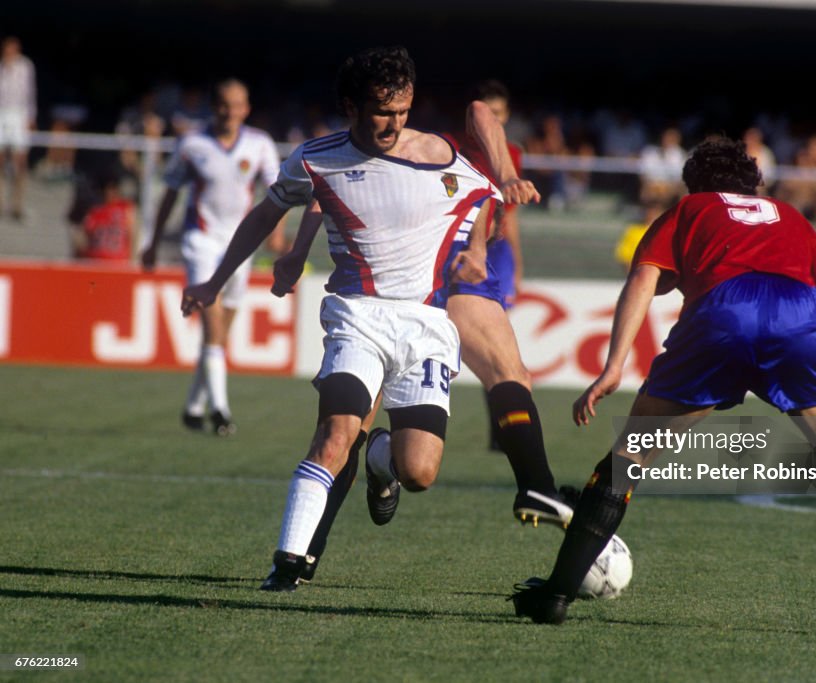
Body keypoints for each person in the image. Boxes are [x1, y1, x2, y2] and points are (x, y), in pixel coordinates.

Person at [510, 137, 816, 636]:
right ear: (753, 183)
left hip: (723, 315)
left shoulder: (689, 208)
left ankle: (556, 595)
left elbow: (644, 279)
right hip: (798, 317)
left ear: (696, 185)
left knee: (627, 460)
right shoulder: (791, 218)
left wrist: (613, 367)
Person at [181, 45, 511, 592]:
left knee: (420, 471)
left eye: (403, 110)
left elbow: (485, 192)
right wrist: (216, 280)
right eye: (383, 110)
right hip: (355, 317)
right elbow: (270, 211)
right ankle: (288, 562)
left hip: (425, 325)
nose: (395, 123)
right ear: (350, 106)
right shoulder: (315, 158)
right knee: (334, 436)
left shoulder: (436, 154)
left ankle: (380, 462)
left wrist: (481, 238)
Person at [268, 78, 579, 585]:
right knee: (358, 422)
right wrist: (503, 170)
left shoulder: (465, 156)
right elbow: (478, 112)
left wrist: (497, 254)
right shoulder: (450, 144)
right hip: (425, 274)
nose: (494, 119)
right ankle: (536, 486)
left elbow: (491, 210)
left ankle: (360, 493)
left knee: (393, 446)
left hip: (464, 269)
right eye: (492, 114)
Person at [141, 78, 284, 436]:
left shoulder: (260, 144)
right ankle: (219, 410)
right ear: (213, 105)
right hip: (201, 241)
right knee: (211, 321)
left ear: (246, 108)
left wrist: (277, 234)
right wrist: (153, 242)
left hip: (241, 246)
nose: (229, 111)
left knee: (220, 334)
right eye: (223, 104)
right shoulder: (192, 144)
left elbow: (277, 191)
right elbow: (170, 194)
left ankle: (193, 407)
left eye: (236, 104)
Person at [0, 36, 35, 222]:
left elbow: (30, 93)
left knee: (20, 161)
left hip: (19, 114)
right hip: (2, 114)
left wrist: (30, 117)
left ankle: (17, 203)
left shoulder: (25, 67)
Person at [68, 164, 135, 261]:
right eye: (108, 188)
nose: (112, 192)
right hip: (95, 263)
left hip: (119, 263)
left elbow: (132, 235)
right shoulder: (92, 210)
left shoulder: (125, 208)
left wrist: (131, 260)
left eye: (114, 188)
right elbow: (81, 243)